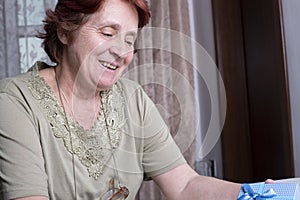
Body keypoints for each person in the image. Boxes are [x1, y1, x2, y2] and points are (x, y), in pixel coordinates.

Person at [0, 0, 242, 199]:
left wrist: (255, 194)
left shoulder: (133, 98)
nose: (121, 52)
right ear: (65, 31)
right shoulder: (14, 101)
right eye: (107, 33)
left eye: (129, 41)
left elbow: (185, 185)